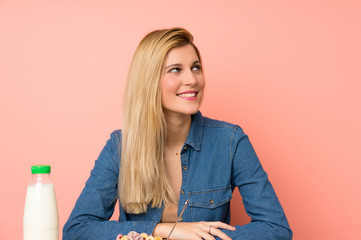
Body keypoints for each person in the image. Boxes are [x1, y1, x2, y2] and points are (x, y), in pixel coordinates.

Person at [63, 27, 292, 240]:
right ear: (149, 81)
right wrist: (166, 230)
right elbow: (77, 229)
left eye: (196, 67)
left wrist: (204, 237)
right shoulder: (120, 147)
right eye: (175, 70)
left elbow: (276, 228)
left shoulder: (230, 141)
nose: (192, 80)